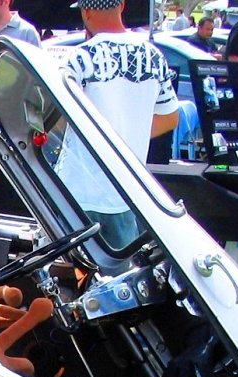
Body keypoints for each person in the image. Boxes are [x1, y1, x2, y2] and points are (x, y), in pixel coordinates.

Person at [58, 0, 179, 248]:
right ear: (122, 6)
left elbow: (56, 119)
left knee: (73, 278)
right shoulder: (155, 56)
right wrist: (126, 136)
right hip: (129, 191)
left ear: (87, 11)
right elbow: (170, 117)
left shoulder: (79, 58)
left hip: (78, 193)